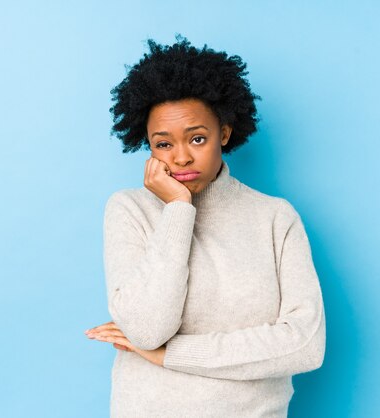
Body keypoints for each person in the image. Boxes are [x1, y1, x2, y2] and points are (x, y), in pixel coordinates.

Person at [84, 35, 326, 418]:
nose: (181, 157)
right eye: (163, 144)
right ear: (148, 146)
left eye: (197, 138)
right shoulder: (129, 209)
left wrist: (171, 355)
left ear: (224, 134)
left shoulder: (275, 217)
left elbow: (304, 345)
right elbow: (147, 329)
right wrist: (179, 209)